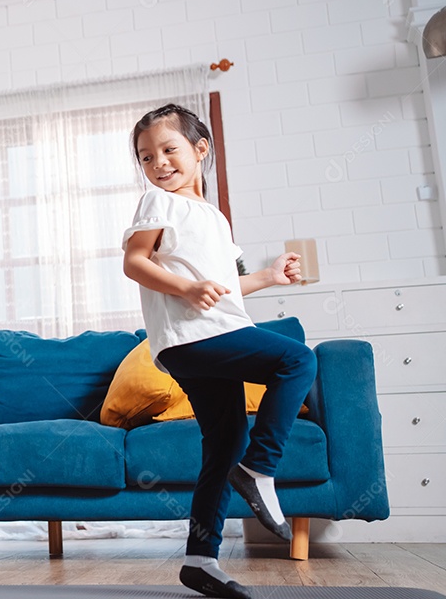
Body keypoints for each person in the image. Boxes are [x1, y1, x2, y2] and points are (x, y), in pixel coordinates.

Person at [121, 104, 317, 599]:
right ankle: (261, 468)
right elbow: (135, 262)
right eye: (146, 157)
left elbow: (223, 288)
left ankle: (200, 560)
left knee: (224, 443)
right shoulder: (157, 204)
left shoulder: (213, 217)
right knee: (297, 359)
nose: (158, 163)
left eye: (169, 150)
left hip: (212, 333)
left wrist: (269, 277)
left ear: (200, 149)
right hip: (192, 338)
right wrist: (186, 291)